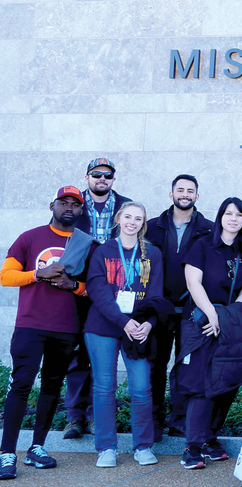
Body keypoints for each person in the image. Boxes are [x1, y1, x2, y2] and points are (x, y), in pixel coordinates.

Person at [0, 186, 94, 480]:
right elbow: (5, 276)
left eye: (75, 204)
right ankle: (6, 453)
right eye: (64, 203)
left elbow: (96, 289)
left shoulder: (88, 245)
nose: (69, 208)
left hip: (66, 327)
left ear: (81, 211)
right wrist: (37, 274)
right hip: (30, 324)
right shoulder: (30, 237)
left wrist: (74, 286)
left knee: (53, 387)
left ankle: (37, 447)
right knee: (21, 386)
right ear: (52, 205)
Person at [85, 202, 172, 468]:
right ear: (118, 219)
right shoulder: (103, 251)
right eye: (128, 217)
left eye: (138, 218)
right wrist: (124, 322)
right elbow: (97, 291)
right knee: (104, 387)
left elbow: (156, 295)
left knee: (142, 387)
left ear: (143, 223)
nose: (132, 222)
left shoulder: (152, 254)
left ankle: (143, 446)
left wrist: (150, 324)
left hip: (138, 329)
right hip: (103, 326)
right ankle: (106, 448)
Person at [178, 197, 242, 469]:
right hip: (201, 322)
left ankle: (211, 438)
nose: (233, 218)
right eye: (228, 213)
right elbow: (193, 282)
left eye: (239, 215)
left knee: (226, 382)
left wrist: (230, 314)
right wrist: (213, 314)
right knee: (201, 385)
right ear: (220, 216)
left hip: (228, 324)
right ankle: (192, 446)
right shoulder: (202, 246)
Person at [65, 158, 135, 439]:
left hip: (113, 289)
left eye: (107, 175)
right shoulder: (71, 204)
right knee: (77, 354)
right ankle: (74, 417)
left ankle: (97, 417)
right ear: (87, 177)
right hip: (77, 287)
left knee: (102, 357)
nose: (102, 179)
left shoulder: (126, 206)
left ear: (113, 179)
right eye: (97, 174)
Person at [144, 174, 213, 440]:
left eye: (190, 190)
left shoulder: (208, 229)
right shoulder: (150, 227)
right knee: (156, 365)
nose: (185, 194)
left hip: (191, 310)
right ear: (171, 194)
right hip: (158, 310)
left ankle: (181, 420)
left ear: (197, 195)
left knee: (187, 367)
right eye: (180, 190)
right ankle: (154, 421)